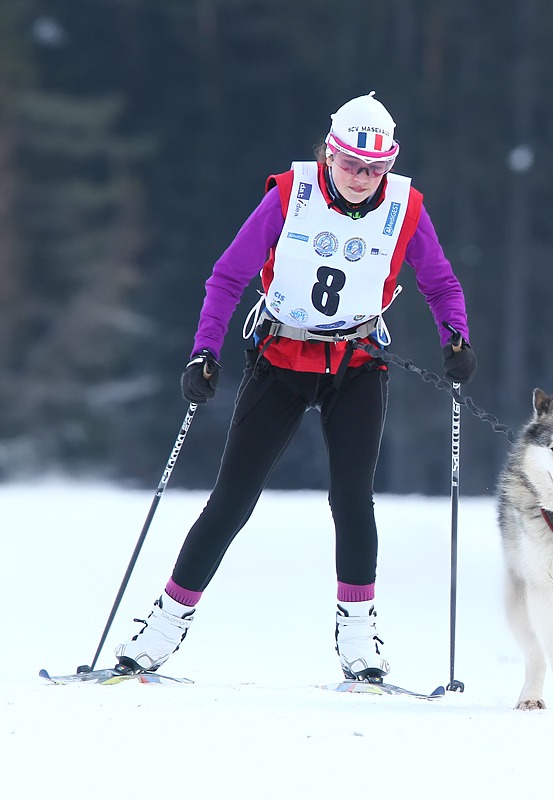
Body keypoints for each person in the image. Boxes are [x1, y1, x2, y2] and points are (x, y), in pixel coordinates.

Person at [113, 92, 477, 683]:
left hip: (357, 364)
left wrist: (455, 338)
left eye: (376, 168)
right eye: (353, 165)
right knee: (232, 500)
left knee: (352, 499)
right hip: (279, 360)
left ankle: (360, 643)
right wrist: (204, 352)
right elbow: (227, 277)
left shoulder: (406, 207)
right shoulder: (291, 194)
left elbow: (441, 284)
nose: (363, 179)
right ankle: (159, 632)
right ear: (330, 155)